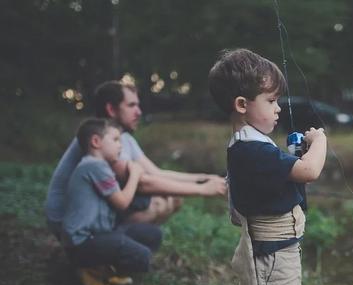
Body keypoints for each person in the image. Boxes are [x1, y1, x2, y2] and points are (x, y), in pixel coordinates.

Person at [208, 48, 327, 285]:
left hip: (281, 247)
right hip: (270, 252)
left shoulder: (254, 144)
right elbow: (308, 172)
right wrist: (319, 142)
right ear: (242, 104)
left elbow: (282, 174)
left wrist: (295, 152)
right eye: (272, 100)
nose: (278, 108)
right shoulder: (249, 148)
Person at [45, 80, 227, 239]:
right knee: (157, 202)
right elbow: (143, 183)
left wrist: (204, 177)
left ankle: (120, 250)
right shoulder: (101, 141)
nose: (139, 112)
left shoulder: (123, 138)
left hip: (94, 211)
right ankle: (104, 256)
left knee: (172, 198)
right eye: (131, 105)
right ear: (111, 109)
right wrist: (202, 189)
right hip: (67, 220)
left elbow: (156, 173)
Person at [63, 118, 163, 285]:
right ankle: (89, 270)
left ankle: (105, 269)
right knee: (142, 256)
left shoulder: (100, 166)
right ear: (96, 142)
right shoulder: (93, 166)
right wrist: (135, 173)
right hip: (82, 244)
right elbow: (122, 202)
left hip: (100, 235)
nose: (120, 146)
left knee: (153, 234)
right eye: (116, 140)